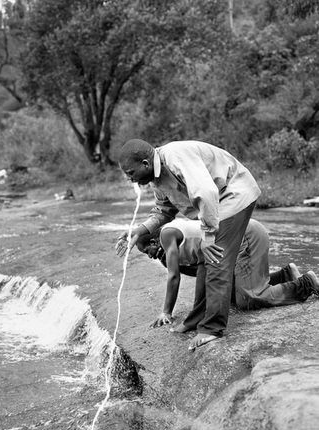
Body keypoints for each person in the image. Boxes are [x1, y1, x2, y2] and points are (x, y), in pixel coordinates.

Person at [116, 138, 261, 349]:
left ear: (145, 164)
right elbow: (163, 211)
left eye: (130, 173)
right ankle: (196, 319)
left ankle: (212, 328)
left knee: (215, 258)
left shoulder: (175, 156)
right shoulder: (158, 180)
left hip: (234, 194)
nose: (130, 179)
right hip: (217, 206)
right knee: (206, 258)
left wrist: (209, 236)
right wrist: (139, 231)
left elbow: (207, 192)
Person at [136, 218, 319, 349]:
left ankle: (306, 283)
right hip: (239, 236)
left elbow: (174, 277)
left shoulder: (167, 236)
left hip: (244, 236)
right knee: (230, 294)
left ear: (154, 241)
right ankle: (286, 275)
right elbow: (204, 272)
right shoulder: (172, 247)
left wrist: (169, 313)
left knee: (248, 299)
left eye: (147, 251)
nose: (150, 256)